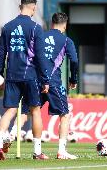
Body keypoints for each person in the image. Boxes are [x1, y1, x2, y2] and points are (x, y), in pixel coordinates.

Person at [0, 0, 49, 160]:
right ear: (33, 7)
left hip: (12, 75)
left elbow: (1, 53)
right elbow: (40, 56)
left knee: (10, 110)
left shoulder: (8, 27)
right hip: (30, 75)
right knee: (35, 111)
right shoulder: (35, 28)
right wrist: (45, 79)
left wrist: (1, 75)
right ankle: (37, 152)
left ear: (20, 6)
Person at [41, 12, 78, 159]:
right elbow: (74, 61)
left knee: (30, 111)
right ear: (65, 25)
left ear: (51, 23)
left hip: (36, 79)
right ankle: (61, 151)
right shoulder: (66, 40)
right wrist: (73, 79)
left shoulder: (40, 37)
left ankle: (9, 137)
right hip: (53, 82)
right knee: (65, 114)